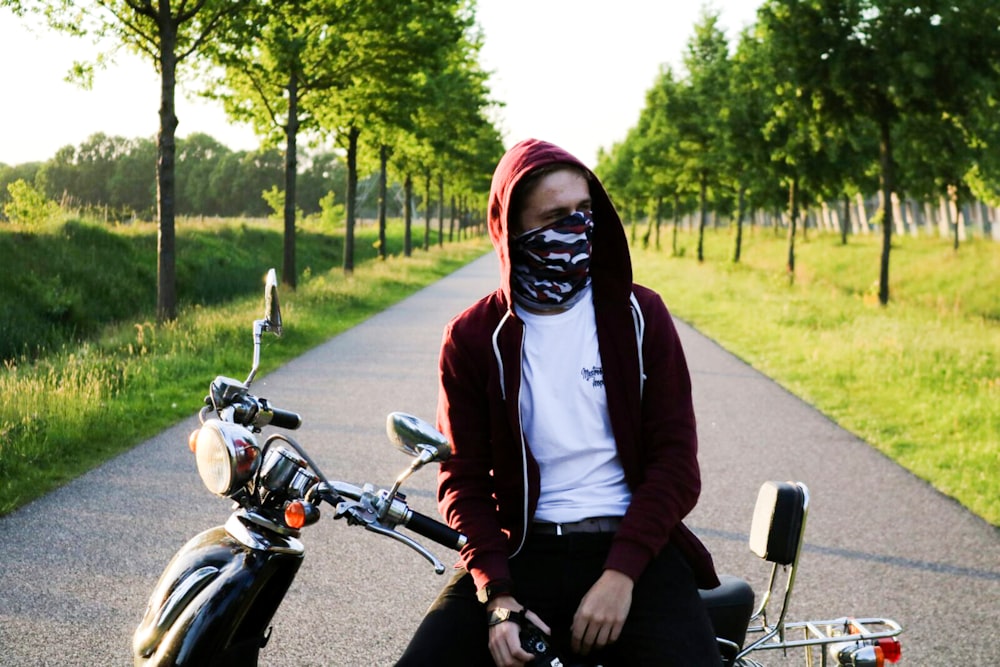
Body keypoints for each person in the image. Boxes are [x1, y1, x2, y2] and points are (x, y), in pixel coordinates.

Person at [397, 138, 722, 666]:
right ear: (513, 230)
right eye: (555, 216)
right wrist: (497, 597)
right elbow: (464, 483)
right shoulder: (474, 337)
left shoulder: (641, 317)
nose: (577, 228)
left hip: (633, 546)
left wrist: (620, 575)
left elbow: (676, 465)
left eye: (585, 211)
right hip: (522, 552)